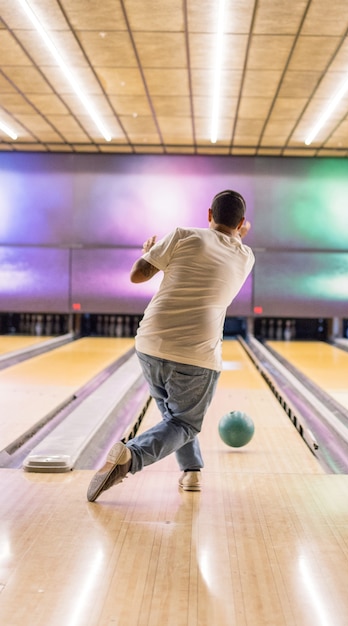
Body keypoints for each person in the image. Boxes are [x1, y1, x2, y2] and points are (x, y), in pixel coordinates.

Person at [87, 190, 255, 502]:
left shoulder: (181, 235)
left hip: (149, 342)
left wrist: (150, 253)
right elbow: (232, 242)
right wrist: (239, 234)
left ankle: (191, 471)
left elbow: (138, 276)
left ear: (208, 214)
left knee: (172, 418)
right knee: (184, 423)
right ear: (242, 223)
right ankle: (131, 457)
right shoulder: (246, 256)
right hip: (196, 355)